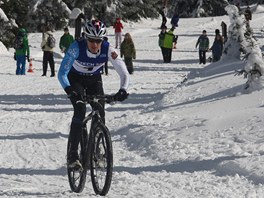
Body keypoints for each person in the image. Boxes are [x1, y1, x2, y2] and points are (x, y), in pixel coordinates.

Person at [58, 19, 130, 169]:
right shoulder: (76, 47)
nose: (95, 44)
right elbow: (62, 73)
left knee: (100, 111)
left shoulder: (108, 48)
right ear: (86, 37)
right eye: (91, 40)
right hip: (75, 79)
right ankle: (72, 154)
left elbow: (123, 71)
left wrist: (123, 89)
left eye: (98, 40)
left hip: (94, 80)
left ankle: (97, 150)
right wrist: (70, 91)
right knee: (80, 110)